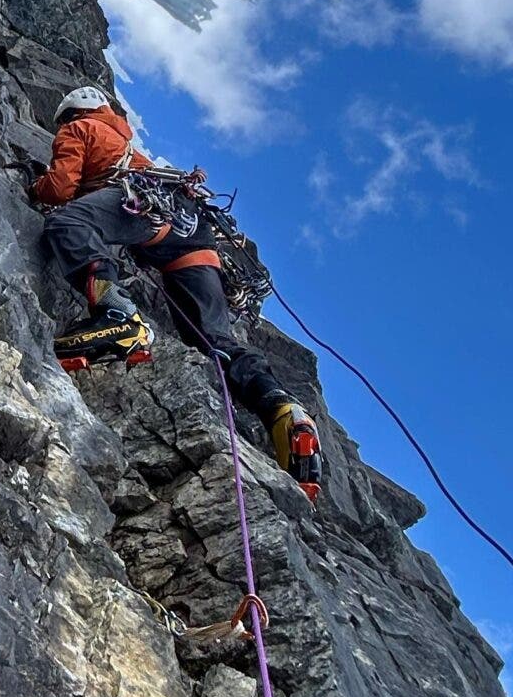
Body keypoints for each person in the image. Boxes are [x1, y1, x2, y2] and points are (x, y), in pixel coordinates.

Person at [29, 86, 324, 500]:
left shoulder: (80, 128)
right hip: (192, 233)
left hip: (143, 210)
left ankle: (118, 318)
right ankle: (279, 407)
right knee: (214, 341)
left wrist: (35, 188)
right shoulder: (127, 141)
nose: (62, 127)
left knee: (66, 225)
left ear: (72, 113)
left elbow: (61, 188)